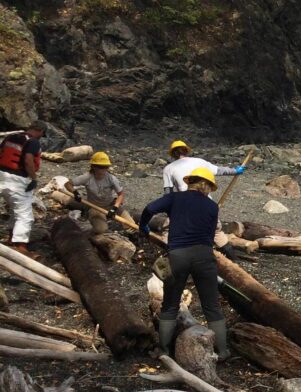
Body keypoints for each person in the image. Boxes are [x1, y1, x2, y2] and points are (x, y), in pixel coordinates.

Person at [139, 167, 229, 361]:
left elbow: (149, 209)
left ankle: (163, 351)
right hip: (204, 256)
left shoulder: (175, 198)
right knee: (212, 306)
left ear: (191, 182)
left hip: (177, 255)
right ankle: (222, 351)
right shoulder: (213, 207)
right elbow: (210, 233)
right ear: (206, 185)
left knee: (170, 305)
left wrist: (143, 226)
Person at [161, 140, 245, 259]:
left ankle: (169, 258)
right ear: (186, 150)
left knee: (170, 231)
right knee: (215, 232)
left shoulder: (168, 169)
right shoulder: (199, 162)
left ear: (172, 154)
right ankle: (234, 261)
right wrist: (235, 171)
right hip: (206, 204)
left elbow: (168, 193)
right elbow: (219, 170)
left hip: (183, 205)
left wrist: (170, 211)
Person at [0, 121, 46, 257]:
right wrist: (34, 178)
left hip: (1, 175)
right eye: (42, 134)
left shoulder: (11, 137)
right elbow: (28, 160)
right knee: (25, 215)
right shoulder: (33, 142)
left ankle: (11, 238)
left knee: (15, 209)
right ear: (40, 131)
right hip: (17, 180)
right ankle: (21, 247)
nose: (41, 137)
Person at [65, 151, 127, 234]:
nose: (103, 170)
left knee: (131, 225)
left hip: (110, 205)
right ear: (94, 167)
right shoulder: (87, 177)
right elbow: (68, 184)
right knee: (101, 230)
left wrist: (114, 208)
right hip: (95, 207)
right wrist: (75, 193)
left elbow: (121, 194)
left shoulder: (111, 179)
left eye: (105, 167)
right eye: (100, 167)